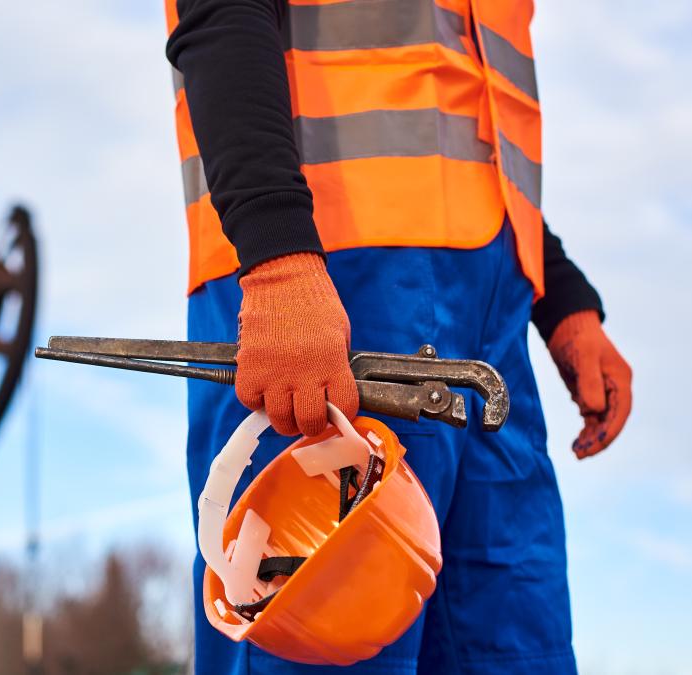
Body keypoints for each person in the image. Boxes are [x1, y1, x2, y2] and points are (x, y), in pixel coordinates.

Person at [164, 1, 633, 673]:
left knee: (513, 647)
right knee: (324, 645)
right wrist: (277, 255)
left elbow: (466, 103)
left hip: (491, 300)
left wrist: (559, 297)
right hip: (330, 275)